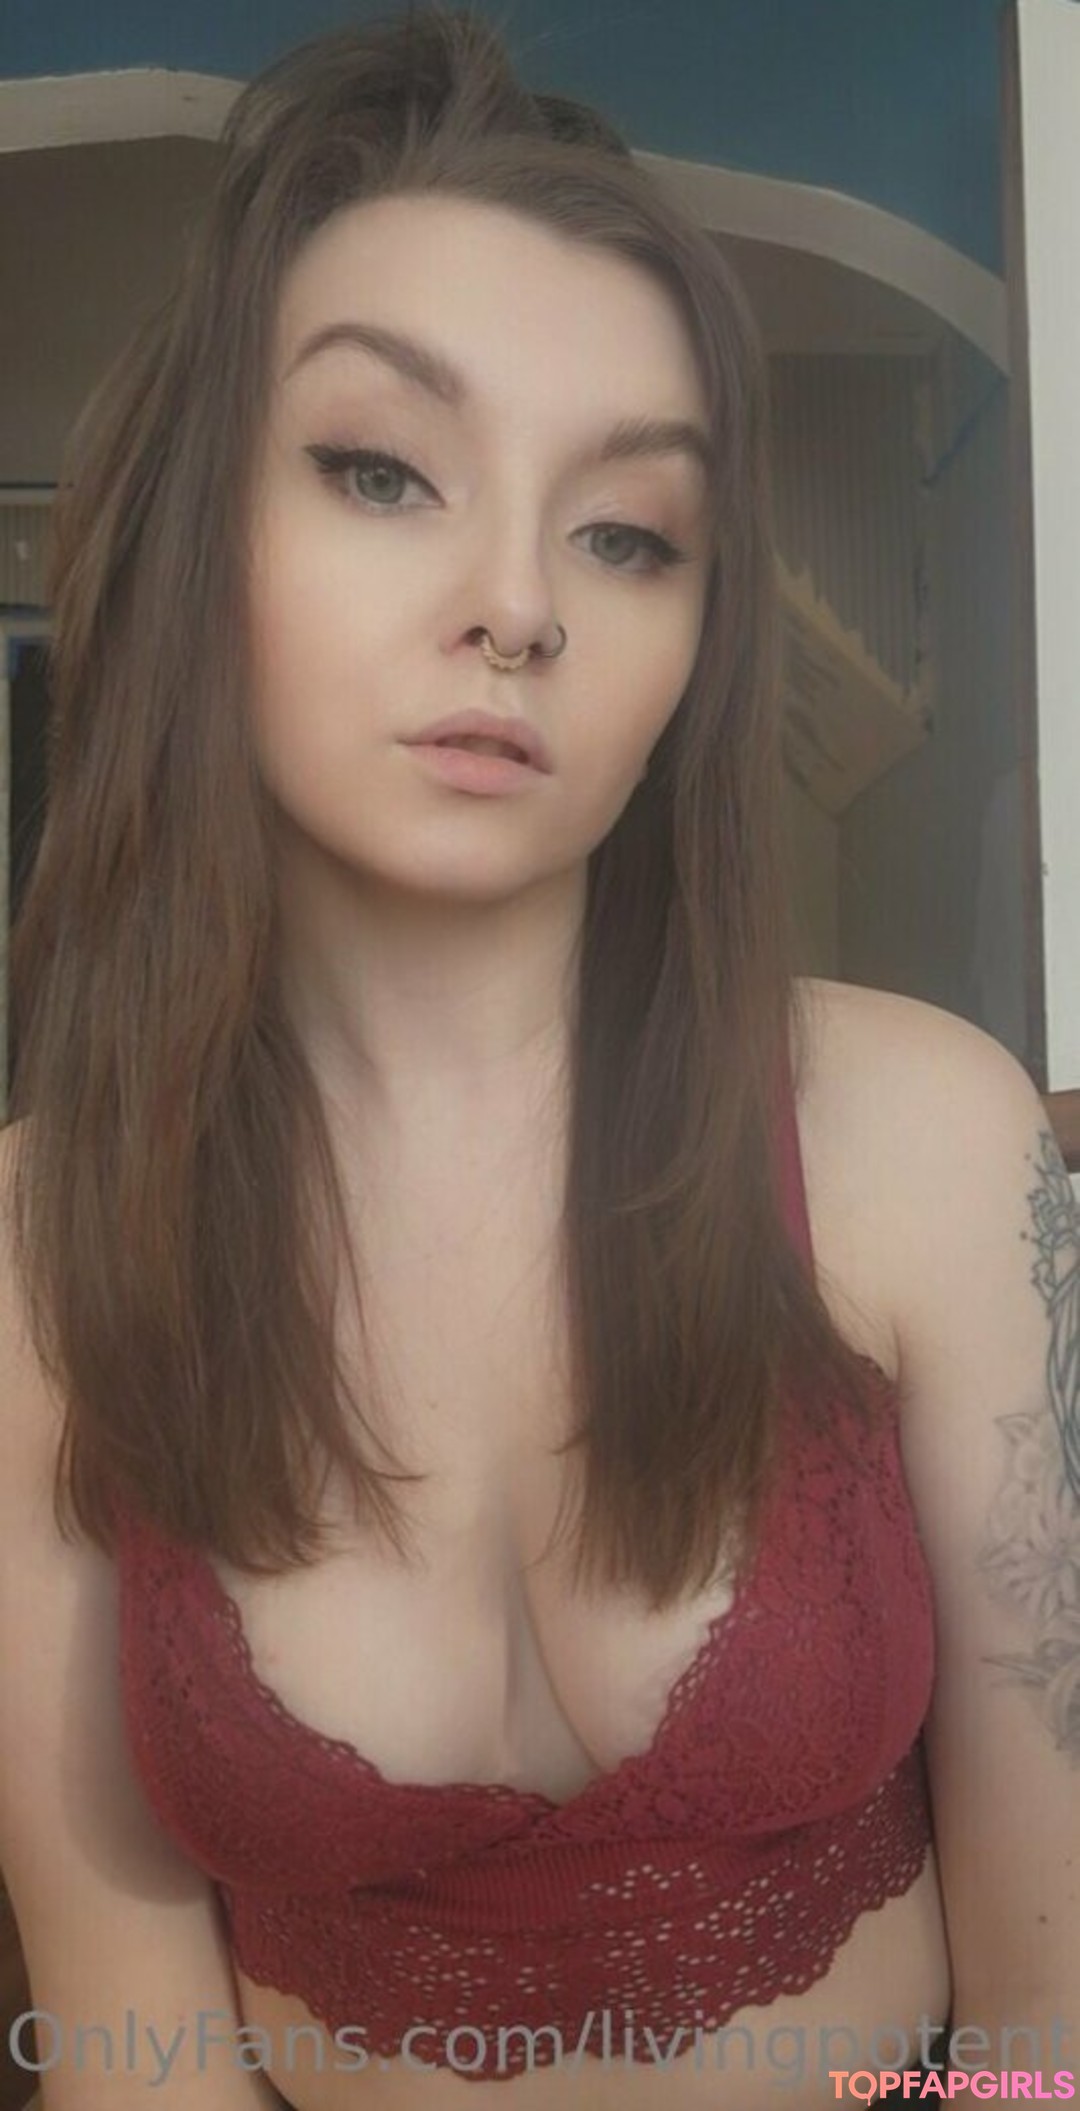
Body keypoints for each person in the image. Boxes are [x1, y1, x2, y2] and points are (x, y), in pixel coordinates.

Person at [1, 7, 1077, 2107]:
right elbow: (130, 2034)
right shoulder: (41, 1249)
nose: (520, 606)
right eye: (382, 470)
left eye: (627, 532)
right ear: (197, 533)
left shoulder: (927, 1139)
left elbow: (1063, 2003)